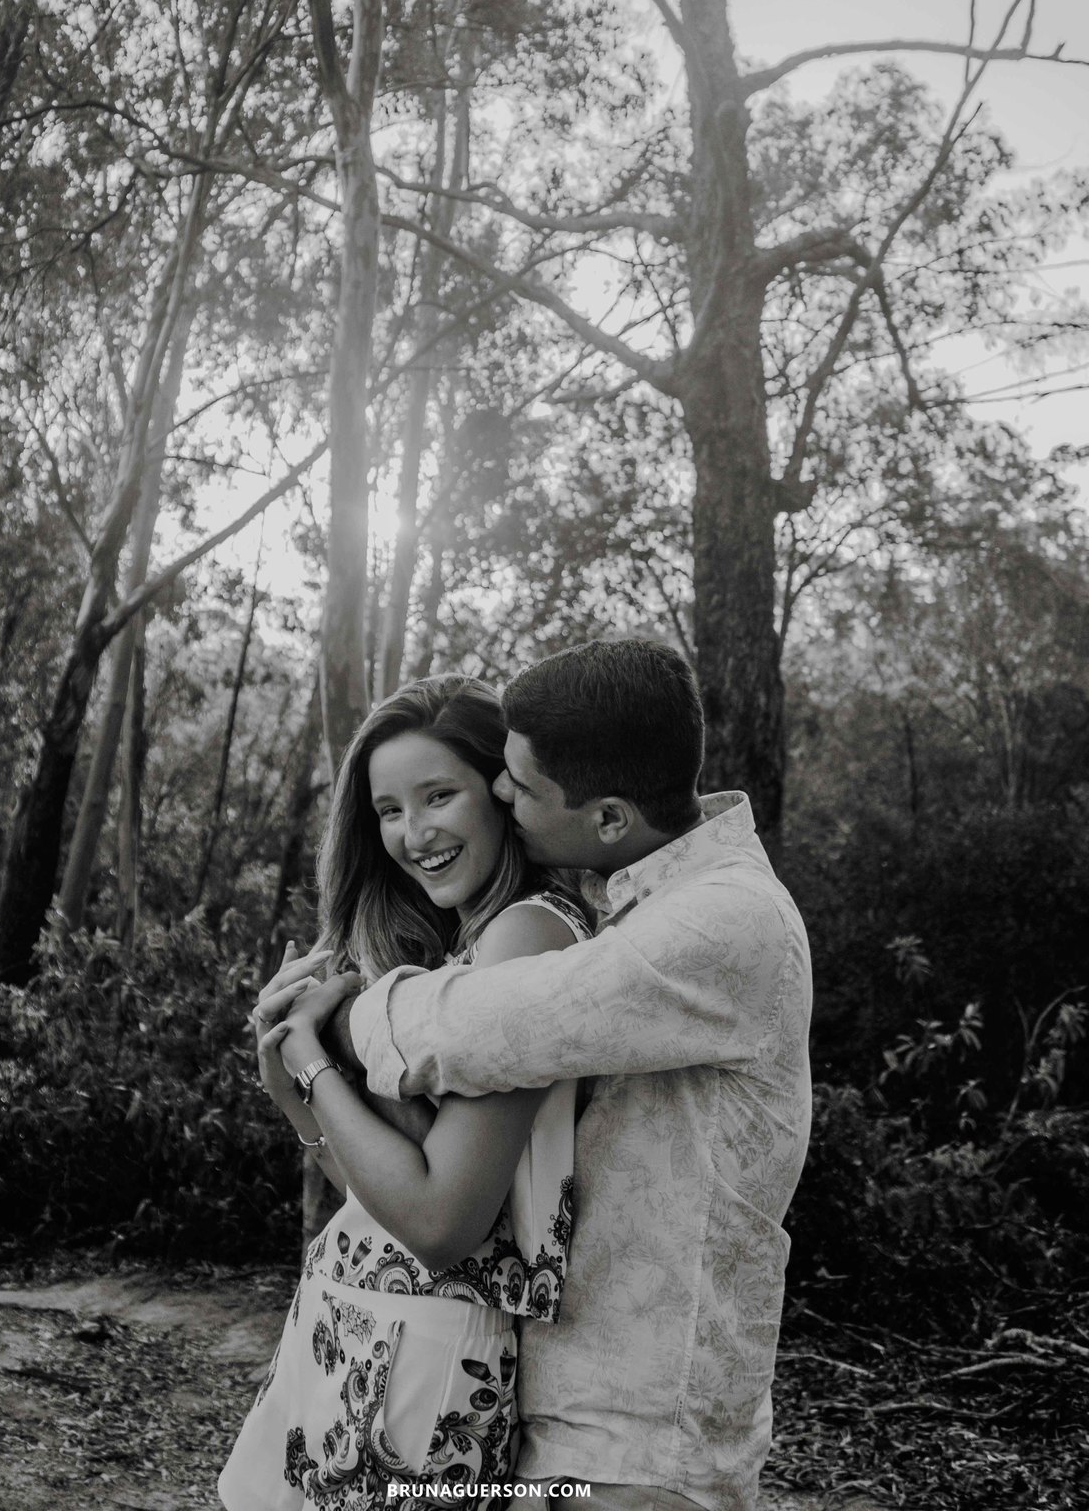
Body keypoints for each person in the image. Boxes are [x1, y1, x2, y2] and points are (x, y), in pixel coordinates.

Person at [316, 638, 813, 1511]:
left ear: (611, 817)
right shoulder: (646, 902)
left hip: (645, 1446)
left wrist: (329, 1025)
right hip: (578, 1419)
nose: (501, 795)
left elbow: (490, 1021)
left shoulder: (721, 921)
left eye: (520, 784)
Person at [217, 676, 591, 1510]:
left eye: (438, 796)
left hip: (423, 1363)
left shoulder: (529, 933)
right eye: (388, 810)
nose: (413, 834)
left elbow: (441, 1225)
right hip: (348, 1324)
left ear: (502, 791)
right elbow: (381, 1194)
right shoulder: (462, 946)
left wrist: (313, 1063)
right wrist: (291, 1085)